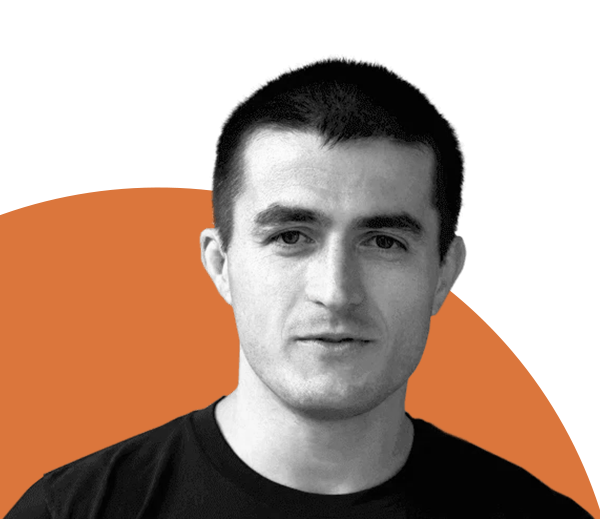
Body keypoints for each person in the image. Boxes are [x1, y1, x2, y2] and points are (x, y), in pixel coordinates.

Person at [5, 55, 593, 518]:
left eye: (383, 241)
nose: (336, 291)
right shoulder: (73, 511)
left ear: (444, 271)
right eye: (291, 236)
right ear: (221, 263)